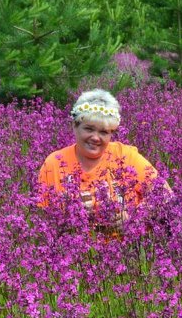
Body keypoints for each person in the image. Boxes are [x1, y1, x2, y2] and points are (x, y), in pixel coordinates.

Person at [37, 89, 160, 226]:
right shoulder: (54, 163)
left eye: (103, 132)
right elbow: (42, 218)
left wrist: (133, 217)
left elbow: (163, 194)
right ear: (74, 126)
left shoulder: (126, 156)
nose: (95, 137)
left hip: (126, 244)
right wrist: (68, 218)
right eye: (89, 129)